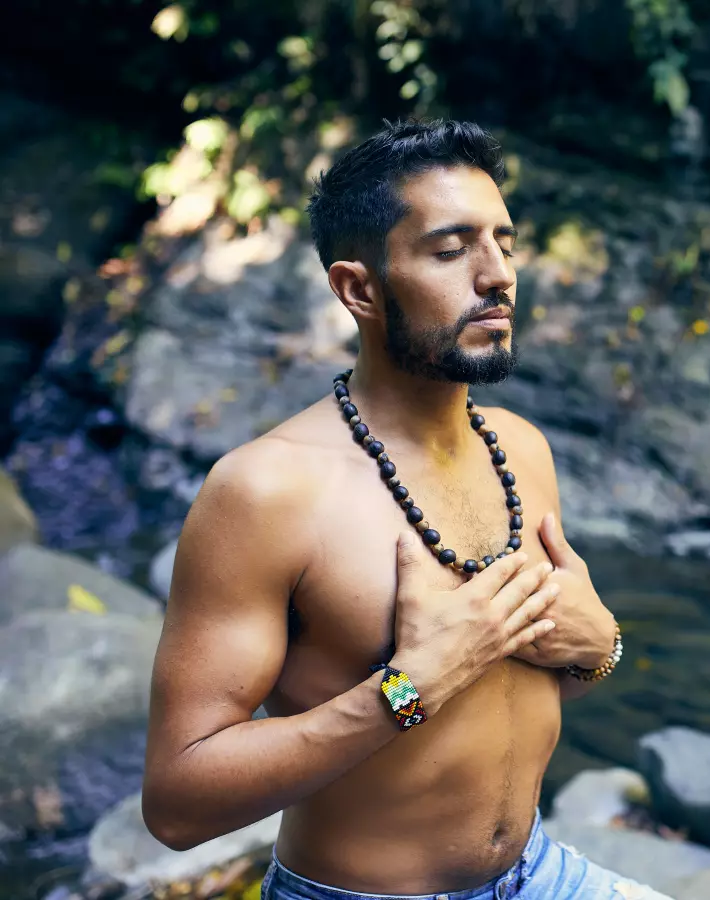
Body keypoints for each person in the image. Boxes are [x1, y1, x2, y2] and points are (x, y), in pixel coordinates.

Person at [141, 118, 672, 900]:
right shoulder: (267, 492)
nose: (498, 277)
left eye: (505, 242)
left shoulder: (522, 451)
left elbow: (514, 691)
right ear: (359, 289)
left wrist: (600, 648)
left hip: (538, 874)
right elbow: (177, 805)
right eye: (452, 250)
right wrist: (405, 690)